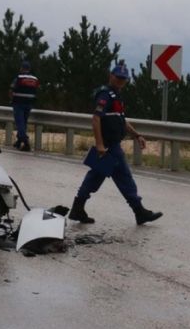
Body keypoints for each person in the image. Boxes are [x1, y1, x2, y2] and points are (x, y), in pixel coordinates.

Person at [69, 60, 163, 225]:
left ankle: (78, 208)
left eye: (123, 79)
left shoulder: (116, 96)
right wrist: (100, 145)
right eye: (118, 77)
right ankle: (139, 211)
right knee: (124, 178)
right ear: (111, 76)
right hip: (108, 146)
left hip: (111, 145)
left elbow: (121, 120)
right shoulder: (105, 95)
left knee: (95, 177)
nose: (120, 81)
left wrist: (137, 135)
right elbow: (96, 119)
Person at [8, 59, 38, 152]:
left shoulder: (19, 78)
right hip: (29, 104)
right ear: (29, 69)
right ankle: (19, 141)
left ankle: (25, 142)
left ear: (21, 68)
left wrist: (11, 99)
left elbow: (11, 90)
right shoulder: (35, 79)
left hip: (18, 103)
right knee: (24, 122)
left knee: (19, 123)